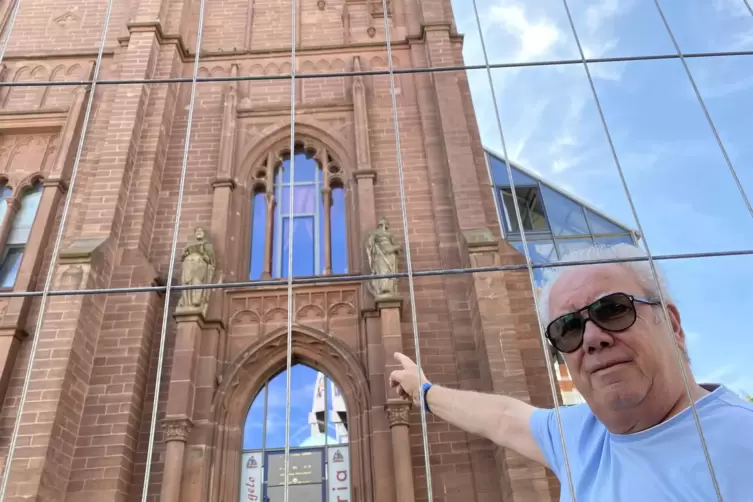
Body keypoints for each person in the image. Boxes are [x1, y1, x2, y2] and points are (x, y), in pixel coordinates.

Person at [389, 243, 753, 501]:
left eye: (613, 310)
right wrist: (424, 390)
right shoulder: (583, 435)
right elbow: (502, 418)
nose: (592, 338)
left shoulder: (741, 441)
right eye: (568, 329)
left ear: (672, 324)